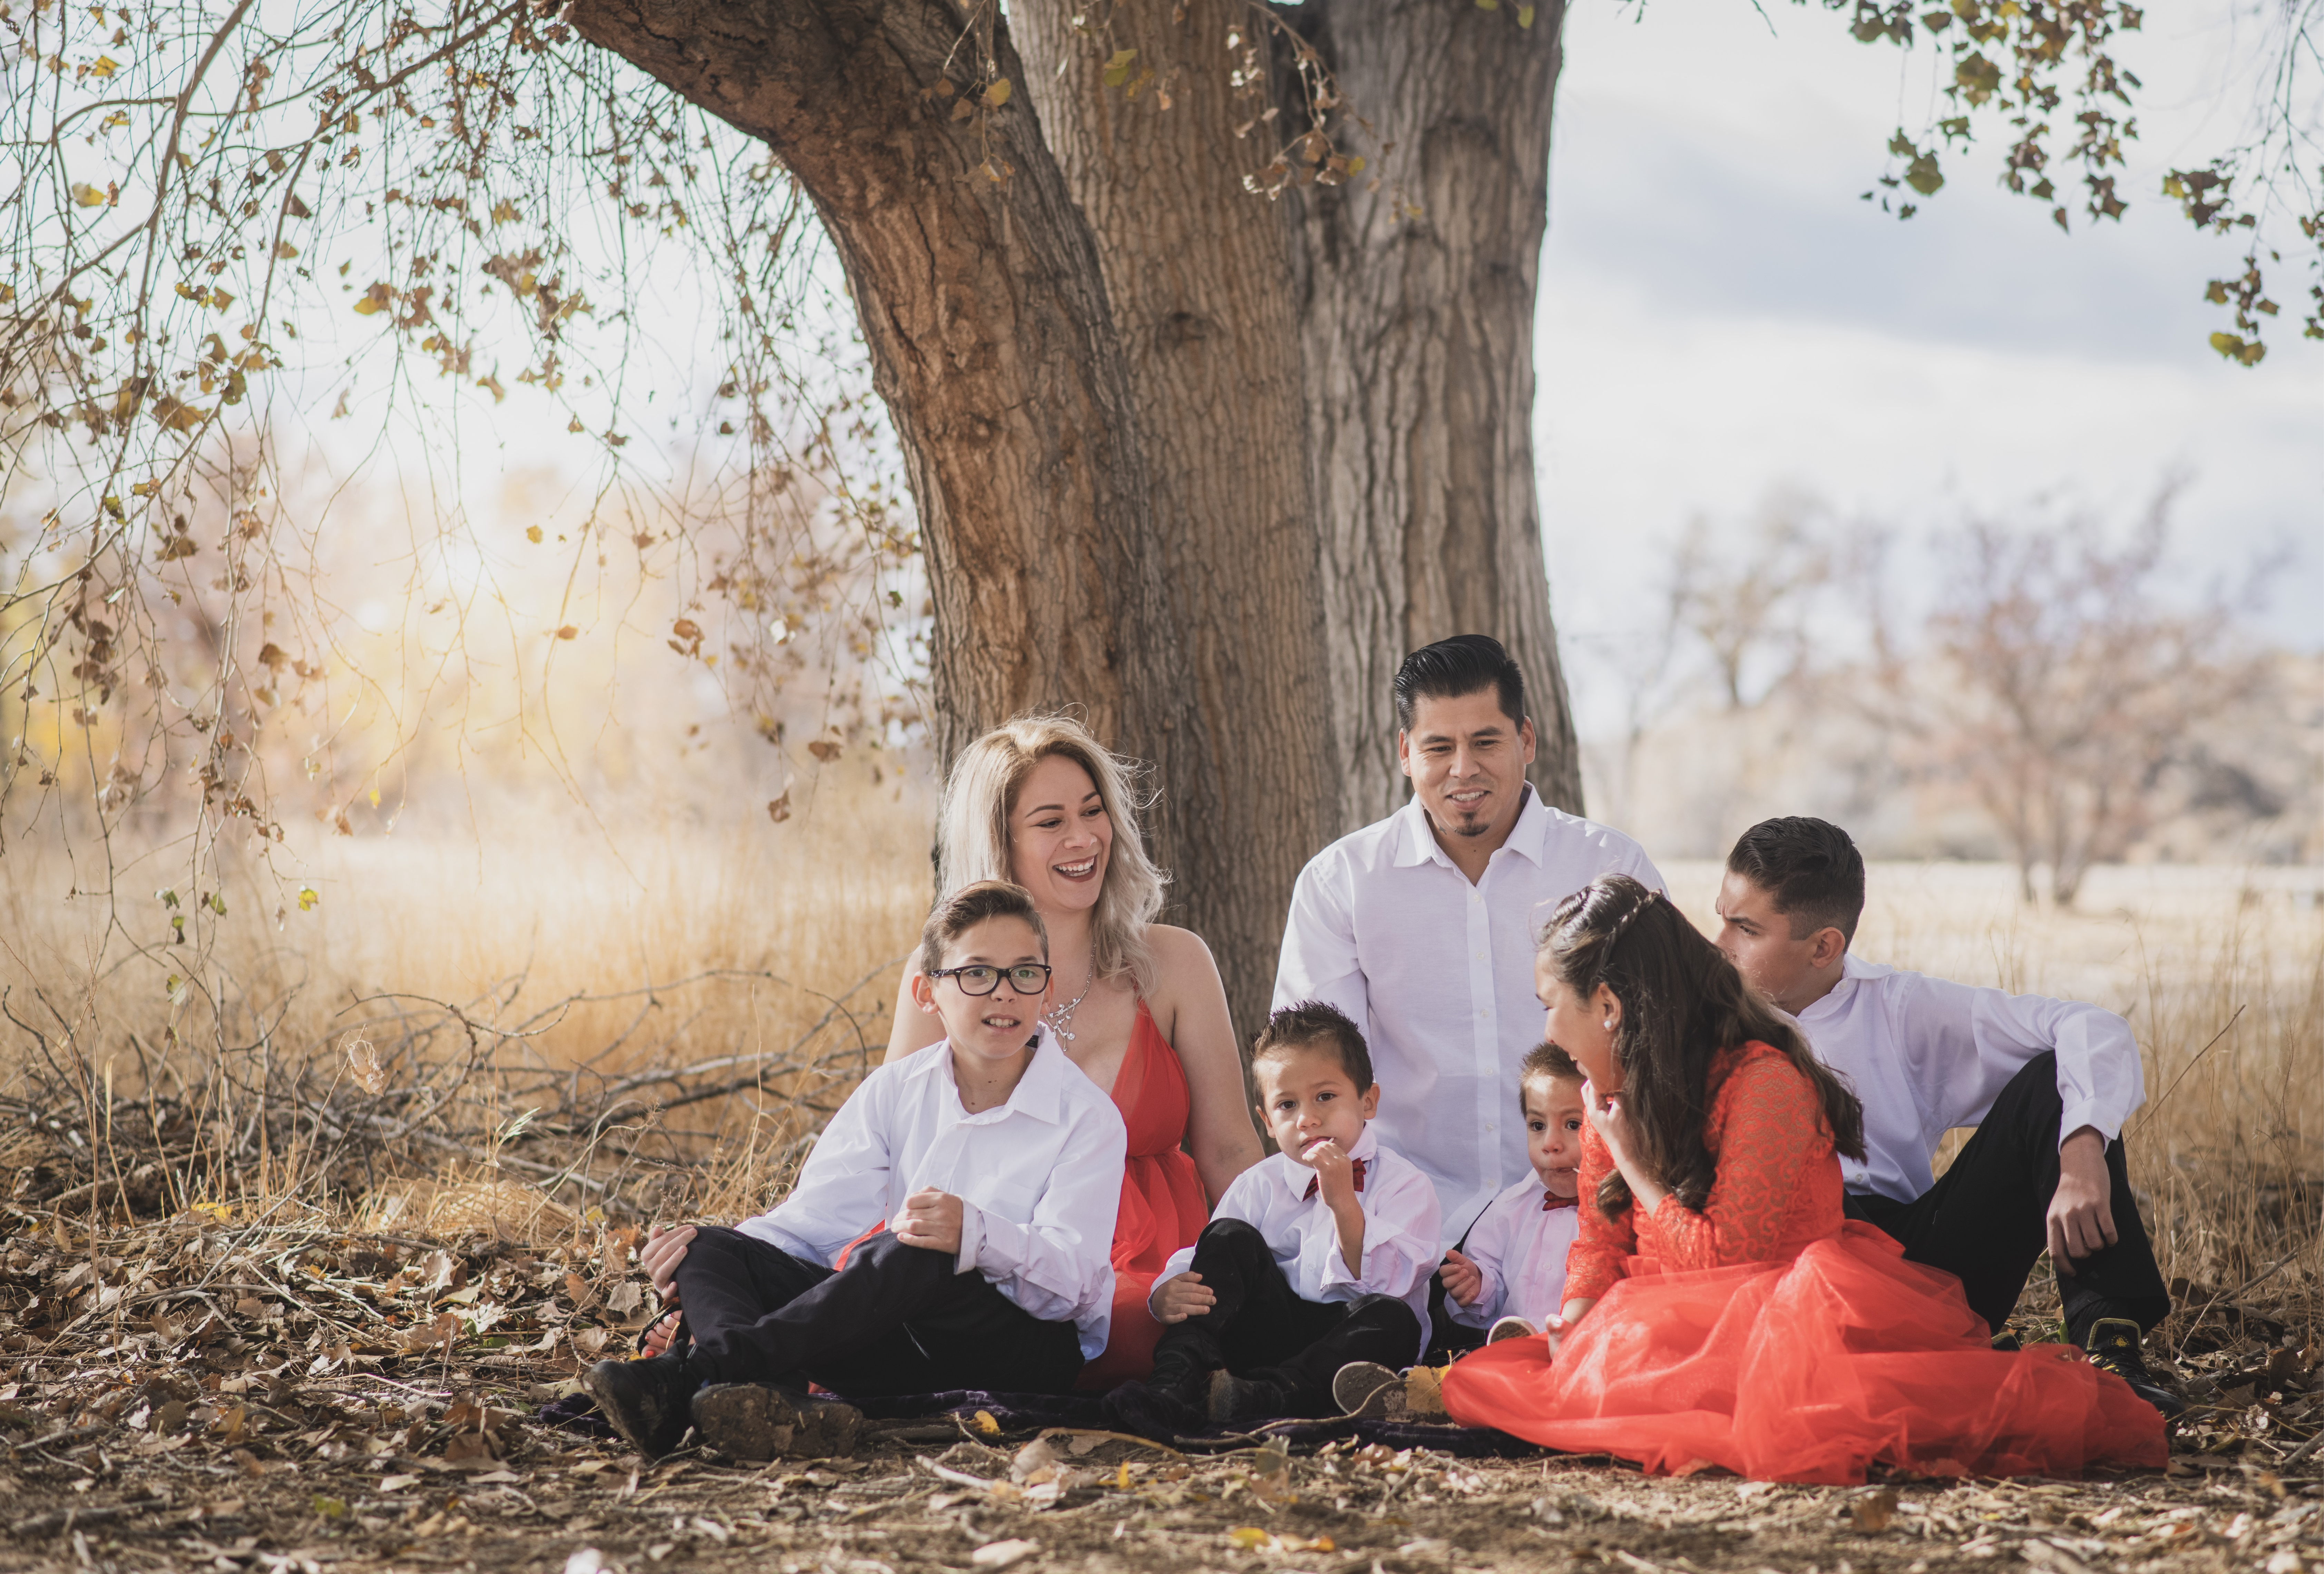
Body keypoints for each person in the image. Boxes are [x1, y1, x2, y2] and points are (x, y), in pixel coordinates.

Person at [1442, 875, 2167, 1483]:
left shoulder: (1764, 1080)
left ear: (1607, 1006)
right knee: (1494, 1379)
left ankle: (2104, 1335)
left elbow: (1728, 1259)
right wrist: (1574, 1320)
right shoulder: (1613, 1087)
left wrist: (1631, 1158)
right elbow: (1598, 1239)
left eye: (1550, 1005)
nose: (1546, 1032)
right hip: (1669, 1311)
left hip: (1781, 1310)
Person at [586, 881, 1127, 1460]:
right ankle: (754, 1396)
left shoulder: (1087, 1116)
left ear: (1047, 989)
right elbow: (808, 1225)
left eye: (1024, 973)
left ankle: (700, 1374)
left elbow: (1073, 1289)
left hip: (1019, 1350)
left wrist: (975, 1234)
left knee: (920, 1248)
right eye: (976, 973)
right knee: (711, 1245)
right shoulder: (895, 1089)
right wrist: (706, 1268)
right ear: (927, 993)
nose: (1004, 992)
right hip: (896, 1345)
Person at [1713, 815, 2179, 1413]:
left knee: (2055, 1078)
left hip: (1913, 1263)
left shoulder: (1899, 1008)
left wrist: (2081, 1148)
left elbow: (2090, 1026)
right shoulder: (1708, 1017)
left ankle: (2110, 1350)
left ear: (1823, 947)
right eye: (1722, 917)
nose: (1719, 943)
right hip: (1792, 1262)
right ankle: (1947, 1360)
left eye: (1745, 928)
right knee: (1803, 1174)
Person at [886, 715, 1263, 1387]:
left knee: (1155, 1329)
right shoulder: (945, 972)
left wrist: (1268, 1267)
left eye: (1093, 811)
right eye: (1050, 821)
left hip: (1156, 1266)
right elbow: (891, 1147)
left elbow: (1230, 1152)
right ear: (999, 842)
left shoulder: (1173, 963)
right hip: (1002, 1249)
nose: (1084, 838)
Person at [1274, 635, 1662, 1258]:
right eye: (1438, 747)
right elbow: (1310, 1075)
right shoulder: (1340, 881)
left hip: (1580, 1218)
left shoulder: (1608, 867)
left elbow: (1658, 1047)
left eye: (1485, 742)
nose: (1462, 768)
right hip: (1402, 1226)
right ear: (1405, 753)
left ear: (1526, 741)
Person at [1103, 1003, 1440, 1435]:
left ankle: (1263, 1397)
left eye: (1325, 1096)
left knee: (1394, 1320)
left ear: (1367, 1101)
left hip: (1344, 1345)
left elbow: (1389, 1282)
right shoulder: (1258, 1184)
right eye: (1286, 1105)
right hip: (1269, 1334)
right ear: (1266, 1121)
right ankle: (1177, 1377)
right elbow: (1211, 1255)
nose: (1307, 1119)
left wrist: (1344, 1204)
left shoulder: (1405, 1185)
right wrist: (1166, 1290)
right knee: (1230, 1235)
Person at [1438, 1041, 1588, 1346]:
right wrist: (1477, 1283)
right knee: (1470, 1370)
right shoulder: (1510, 1207)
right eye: (1538, 1125)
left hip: (1589, 1353)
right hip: (1513, 1355)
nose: (1550, 1143)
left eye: (1573, 1124)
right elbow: (1492, 1279)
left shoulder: (1626, 1211)